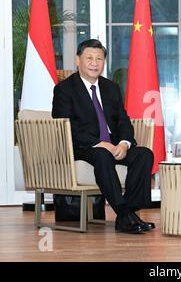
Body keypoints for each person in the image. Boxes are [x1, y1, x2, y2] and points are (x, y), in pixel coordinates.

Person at [52, 39, 154, 234]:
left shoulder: (111, 88)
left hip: (113, 144)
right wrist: (100, 144)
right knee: (102, 155)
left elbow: (123, 120)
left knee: (144, 154)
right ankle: (125, 216)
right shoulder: (64, 89)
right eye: (89, 58)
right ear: (77, 60)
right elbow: (67, 125)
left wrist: (124, 144)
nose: (94, 63)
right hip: (82, 147)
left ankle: (126, 214)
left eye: (99, 59)